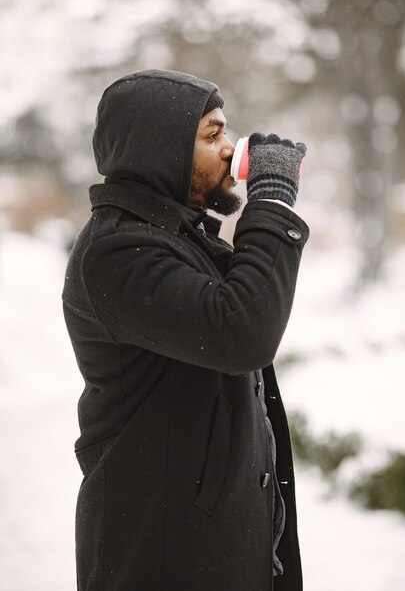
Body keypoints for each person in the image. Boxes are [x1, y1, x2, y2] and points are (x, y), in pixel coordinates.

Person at [62, 69, 309, 591]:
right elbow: (241, 332)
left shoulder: (174, 238)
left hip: (202, 544)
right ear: (162, 148)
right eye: (212, 134)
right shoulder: (118, 252)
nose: (230, 149)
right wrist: (272, 202)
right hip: (162, 552)